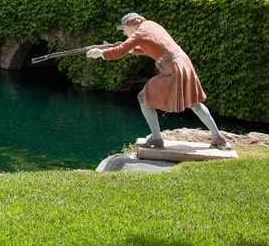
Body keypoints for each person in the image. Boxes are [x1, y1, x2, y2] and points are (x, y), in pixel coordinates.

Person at [86, 13, 231, 150]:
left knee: (143, 98)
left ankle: (156, 138)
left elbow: (120, 51)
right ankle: (217, 137)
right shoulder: (151, 25)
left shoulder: (139, 32)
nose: (124, 33)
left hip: (173, 68)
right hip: (183, 63)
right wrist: (131, 50)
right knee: (194, 103)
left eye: (124, 29)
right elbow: (152, 46)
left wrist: (101, 53)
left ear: (130, 24)